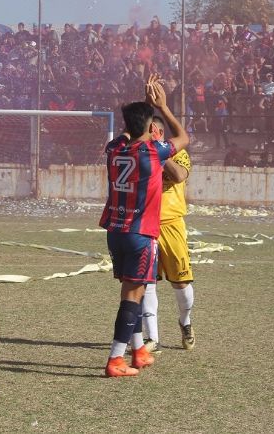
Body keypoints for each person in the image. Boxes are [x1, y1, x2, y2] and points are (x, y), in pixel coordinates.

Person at [99, 74, 189, 377]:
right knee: (132, 296)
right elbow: (184, 138)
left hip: (115, 231)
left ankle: (138, 351)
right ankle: (115, 359)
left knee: (131, 291)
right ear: (151, 128)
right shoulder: (154, 151)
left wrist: (141, 115)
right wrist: (162, 106)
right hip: (141, 234)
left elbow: (127, 133)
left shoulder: (113, 149)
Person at [141, 115, 196, 354]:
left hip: (172, 224)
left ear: (160, 132)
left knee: (181, 282)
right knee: (147, 281)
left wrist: (160, 153)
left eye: (152, 131)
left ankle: (185, 322)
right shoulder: (141, 152)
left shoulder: (177, 152)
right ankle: (152, 338)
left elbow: (179, 176)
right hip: (146, 224)